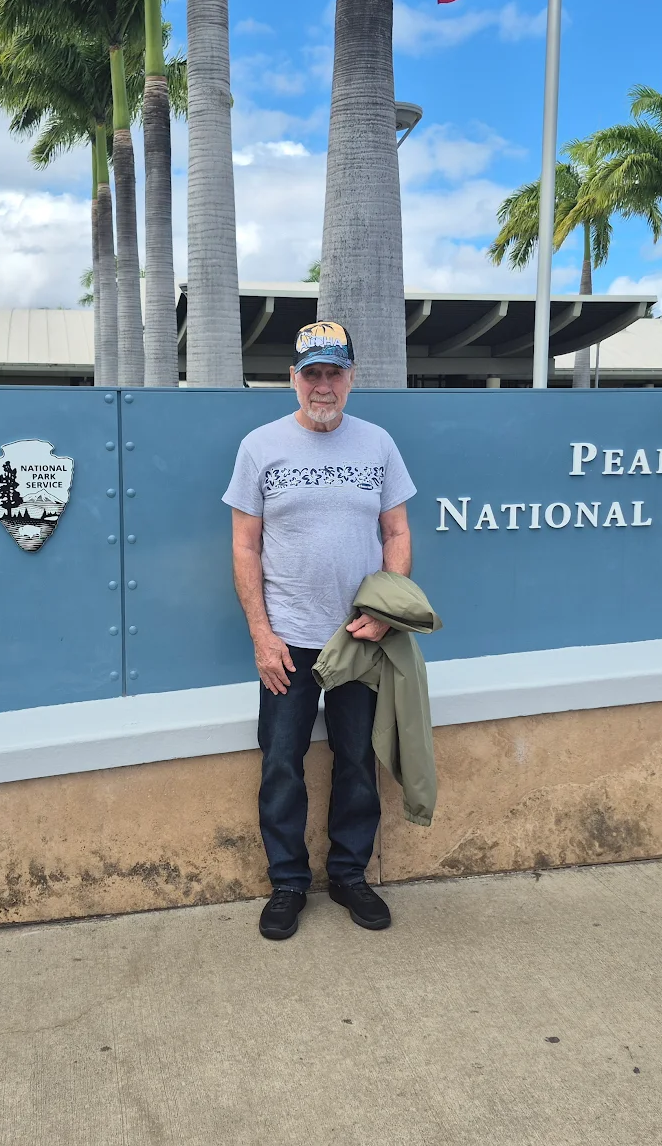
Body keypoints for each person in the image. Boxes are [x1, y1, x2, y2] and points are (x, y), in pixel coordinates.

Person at [223, 321, 416, 941]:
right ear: (294, 380)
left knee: (357, 756)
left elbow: (397, 534)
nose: (323, 386)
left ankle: (349, 875)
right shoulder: (260, 447)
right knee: (283, 761)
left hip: (360, 637)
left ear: (352, 378)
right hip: (289, 637)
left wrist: (386, 613)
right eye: (313, 374)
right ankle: (287, 883)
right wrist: (261, 632)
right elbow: (244, 545)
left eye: (335, 373)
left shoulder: (379, 444)